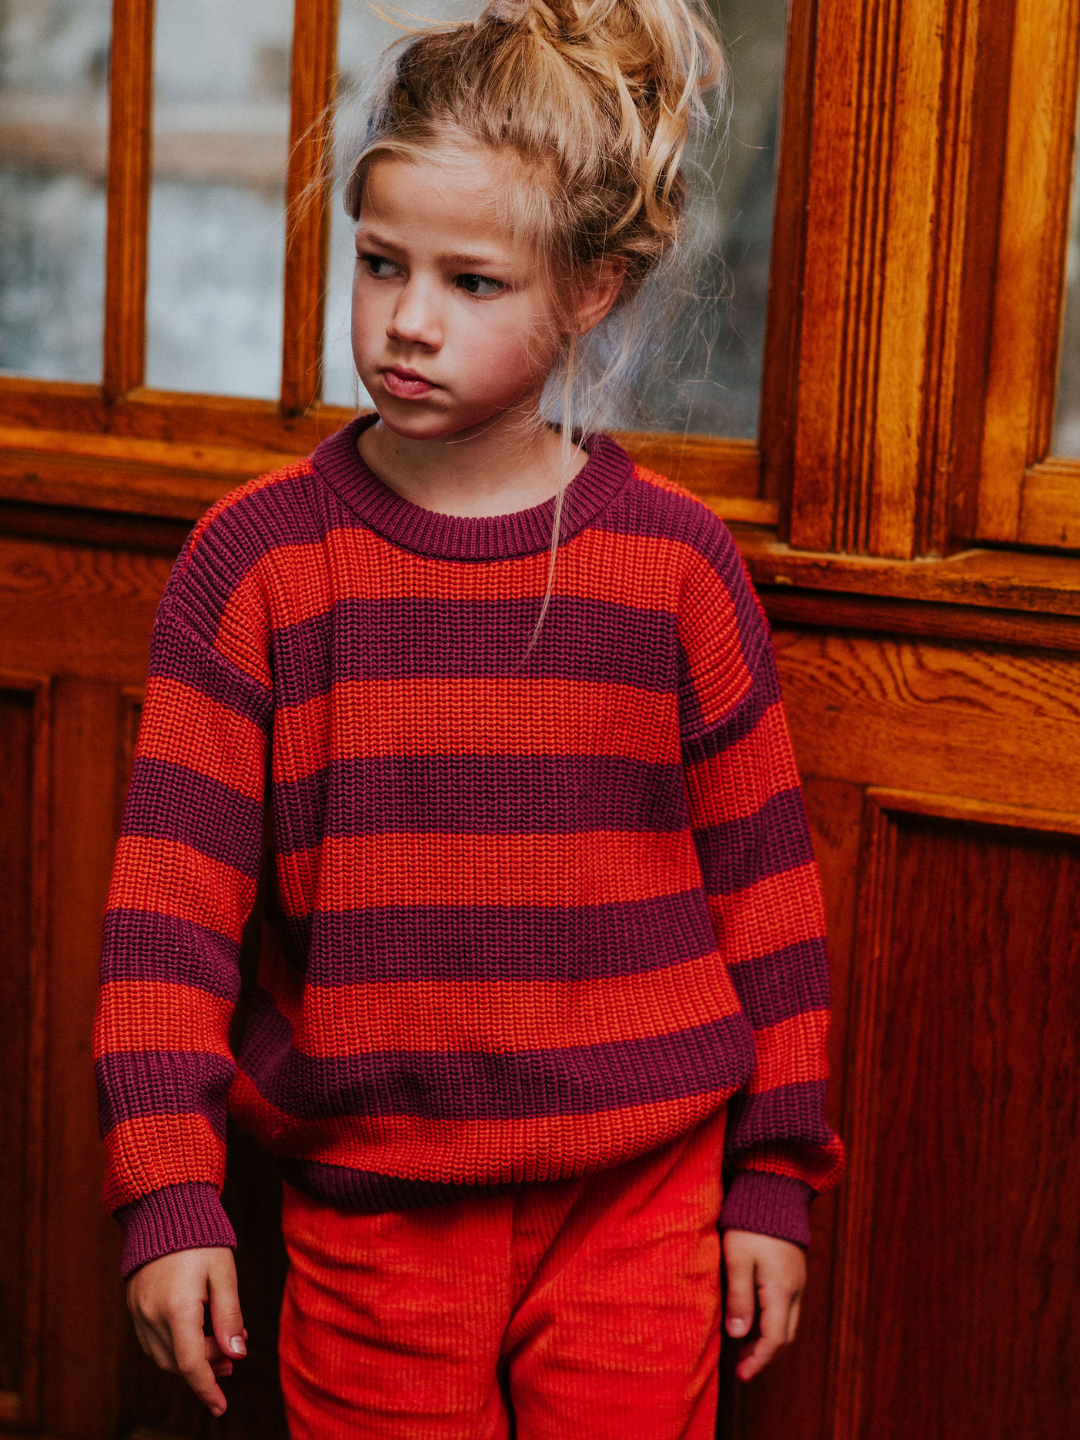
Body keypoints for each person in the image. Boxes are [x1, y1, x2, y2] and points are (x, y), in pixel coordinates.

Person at [93, 0, 843, 1433]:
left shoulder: (676, 567)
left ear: (594, 289)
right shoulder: (253, 563)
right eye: (380, 265)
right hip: (372, 1215)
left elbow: (770, 899)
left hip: (643, 1203)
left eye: (472, 281)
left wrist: (773, 1177)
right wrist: (170, 1193)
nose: (408, 320)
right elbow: (164, 915)